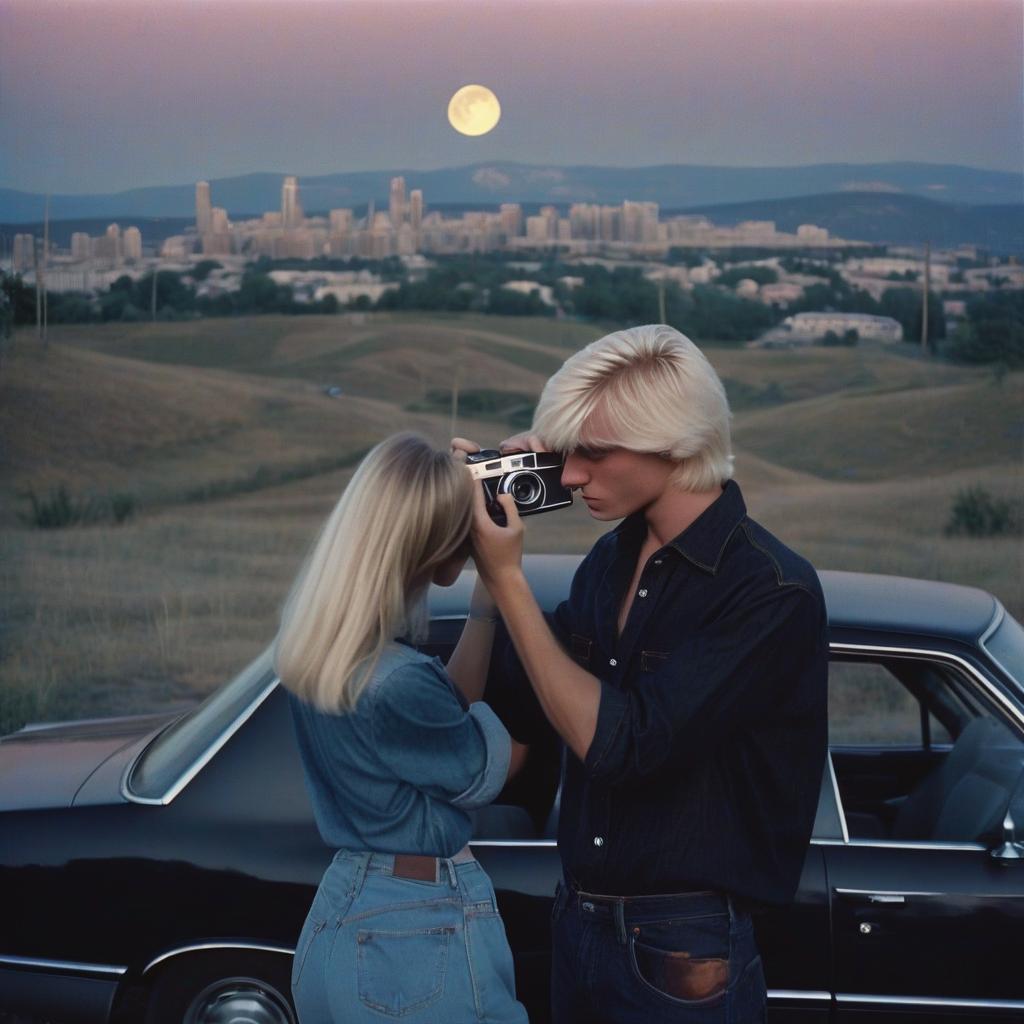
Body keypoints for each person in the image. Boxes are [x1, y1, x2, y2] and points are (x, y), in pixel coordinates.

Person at [459, 324, 829, 1024]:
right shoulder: (608, 560)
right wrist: (489, 558)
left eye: (594, 455)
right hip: (578, 918)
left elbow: (626, 746)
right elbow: (533, 714)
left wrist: (511, 579)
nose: (570, 478)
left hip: (681, 947)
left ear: (679, 444)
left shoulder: (771, 593)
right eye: (566, 454)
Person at [275, 432, 528, 1024]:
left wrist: (488, 600)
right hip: (415, 931)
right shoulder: (399, 682)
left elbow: (440, 719)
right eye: (461, 530)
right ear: (430, 544)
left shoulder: (333, 648)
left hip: (349, 910)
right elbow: (483, 770)